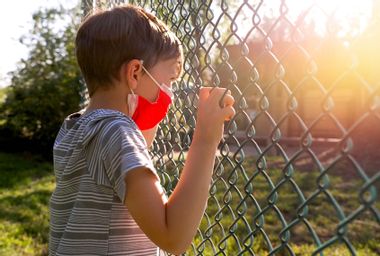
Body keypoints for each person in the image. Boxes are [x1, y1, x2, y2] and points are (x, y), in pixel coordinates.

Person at [49, 4, 235, 256]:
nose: (170, 93)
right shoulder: (116, 131)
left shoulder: (74, 128)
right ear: (135, 72)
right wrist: (206, 139)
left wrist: (144, 124)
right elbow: (173, 236)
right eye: (169, 80)